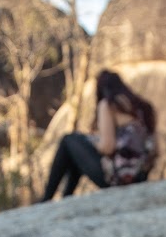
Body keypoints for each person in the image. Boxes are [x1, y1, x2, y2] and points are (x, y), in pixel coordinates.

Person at [40, 70, 157, 200]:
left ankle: (46, 198)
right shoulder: (144, 107)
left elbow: (108, 147)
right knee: (77, 152)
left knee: (69, 140)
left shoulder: (108, 104)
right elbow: (153, 148)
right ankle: (66, 198)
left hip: (119, 178)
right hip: (139, 177)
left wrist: (93, 142)